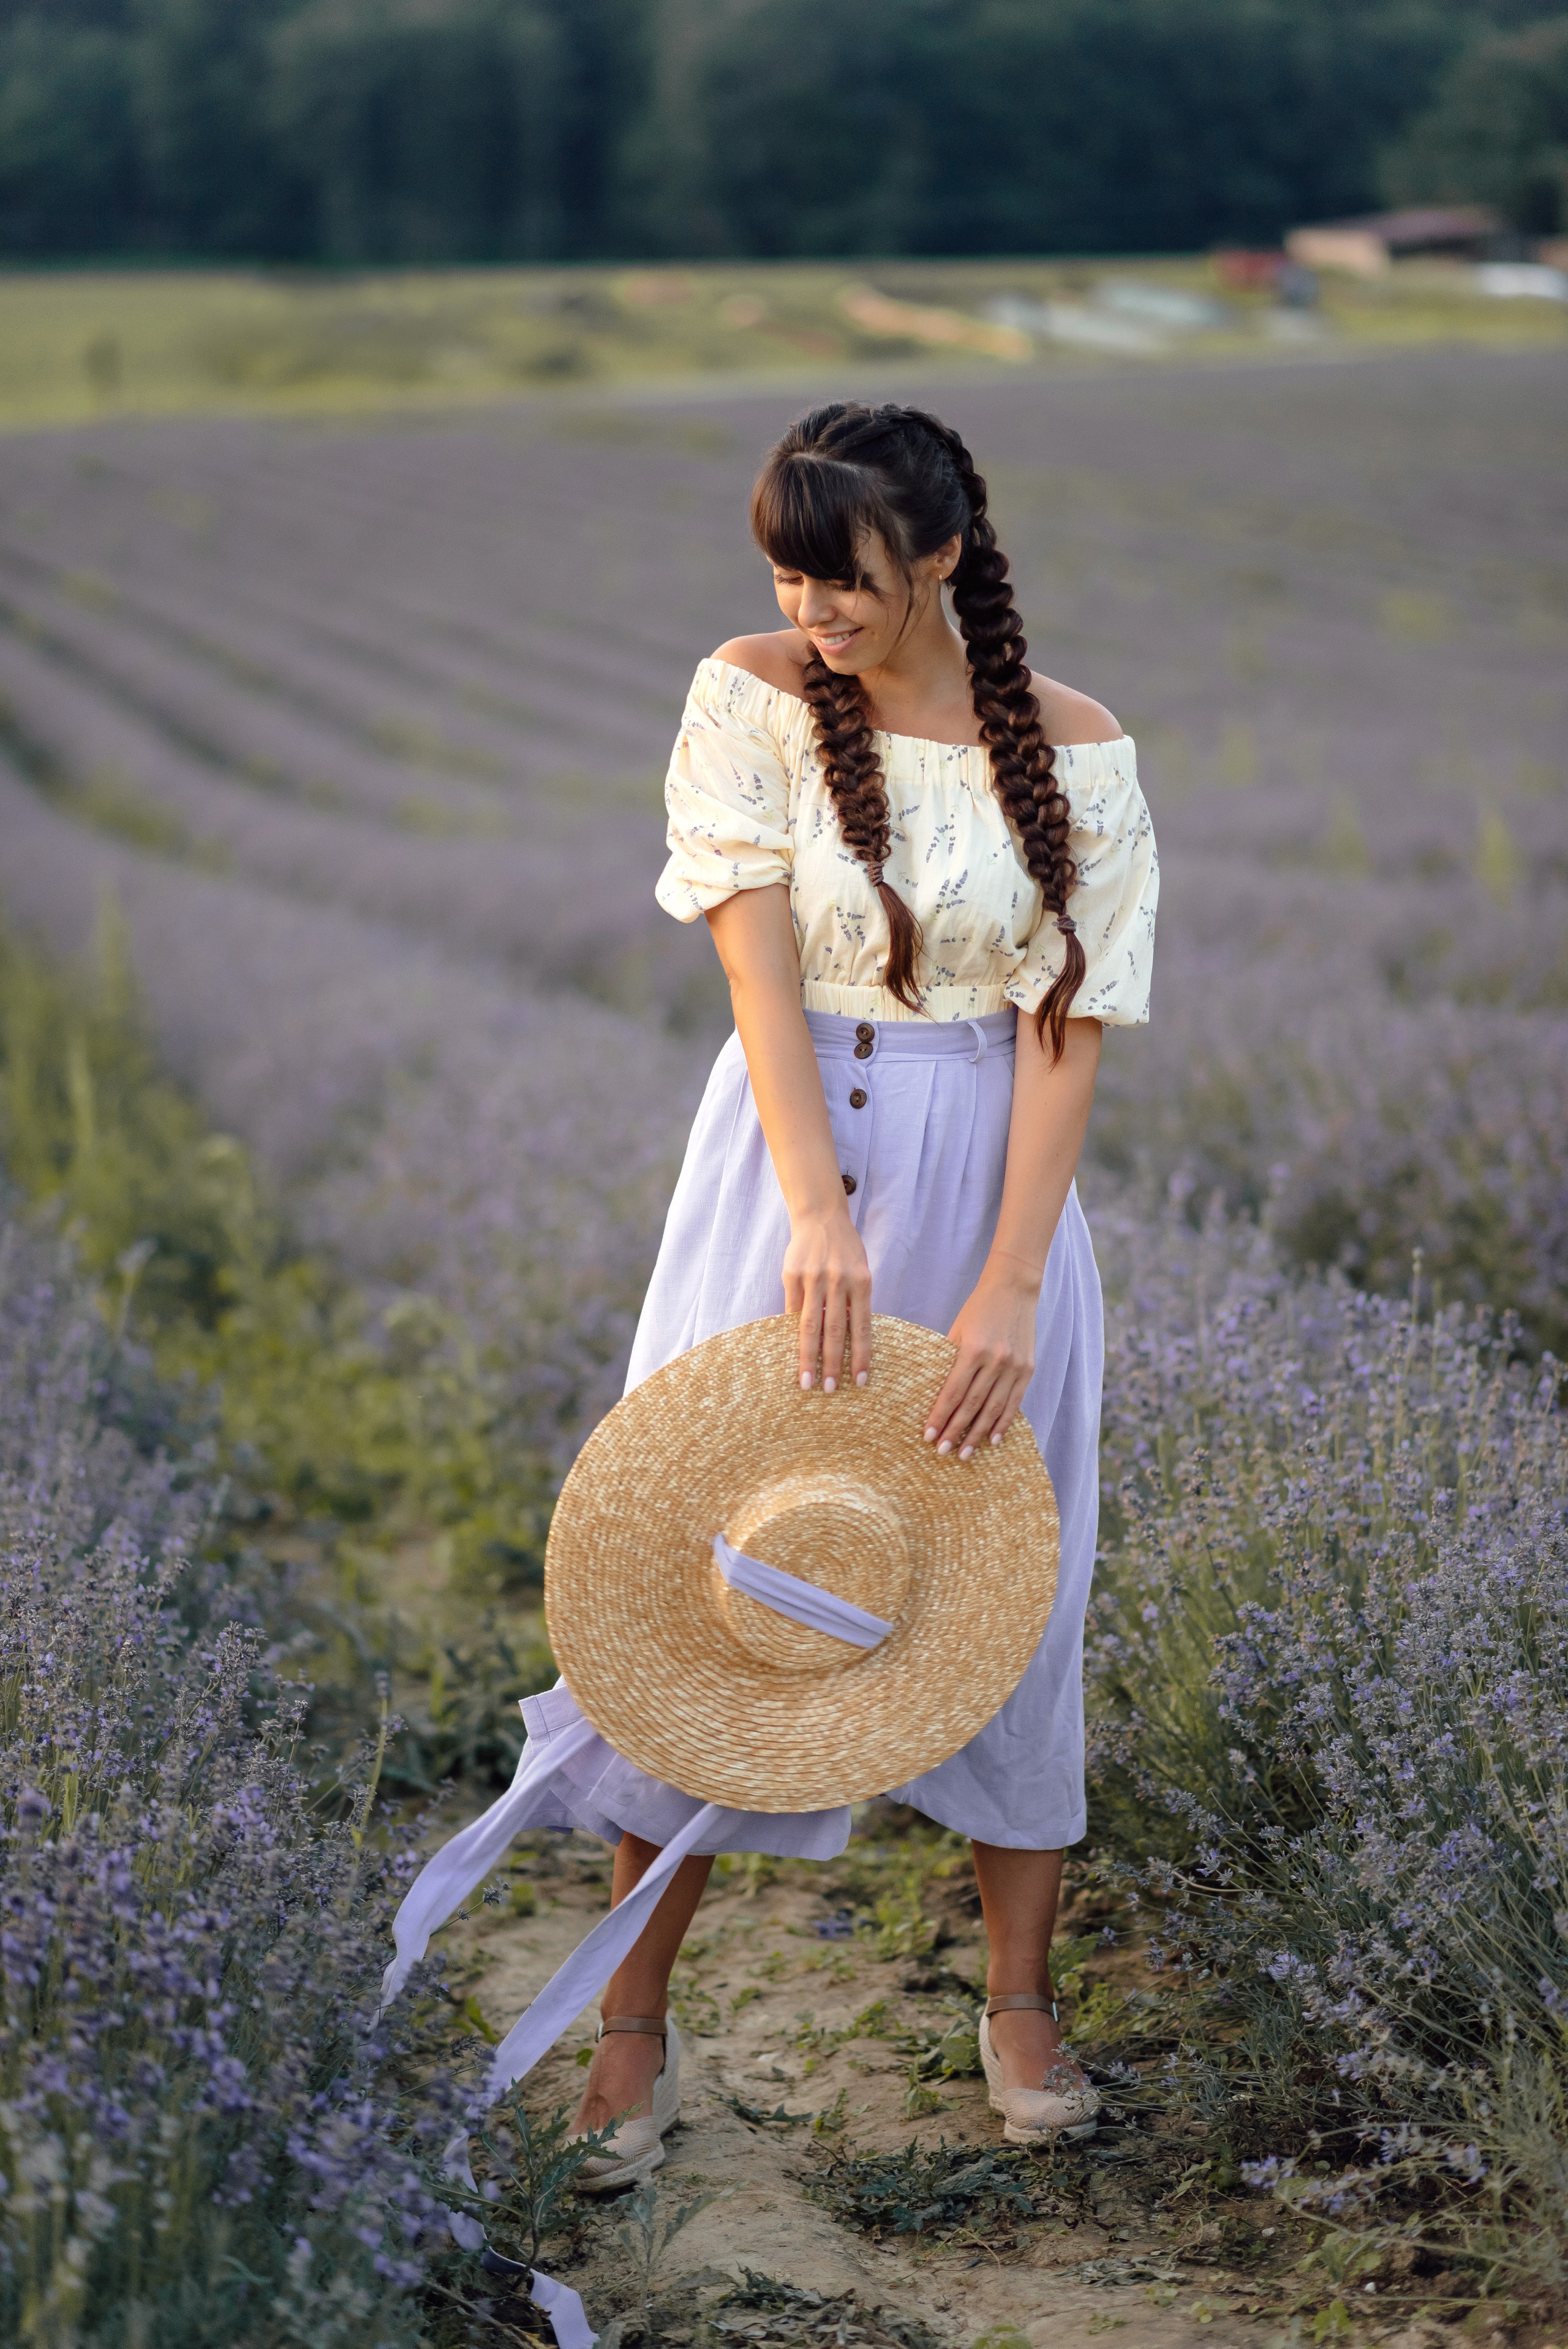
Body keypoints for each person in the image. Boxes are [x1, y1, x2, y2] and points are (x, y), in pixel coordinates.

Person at [548, 400, 1157, 2182]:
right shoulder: (745, 692)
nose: (812, 604)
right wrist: (816, 1211)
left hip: (990, 1172)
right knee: (693, 1569)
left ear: (949, 557)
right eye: (789, 573)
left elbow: (1069, 1026)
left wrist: (1011, 1284)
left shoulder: (1082, 747)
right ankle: (633, 2026)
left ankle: (1020, 2004)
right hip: (777, 1151)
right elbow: (754, 975)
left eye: (850, 576)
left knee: (1010, 1583)